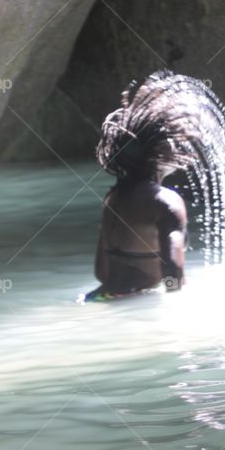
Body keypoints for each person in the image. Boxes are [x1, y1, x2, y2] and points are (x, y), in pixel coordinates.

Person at [80, 73, 190, 302]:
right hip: (133, 301)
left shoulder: (114, 198)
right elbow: (173, 273)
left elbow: (101, 272)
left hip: (97, 297)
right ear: (162, 153)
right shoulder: (166, 202)